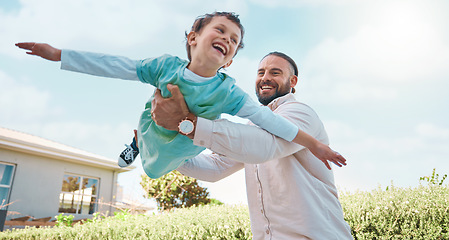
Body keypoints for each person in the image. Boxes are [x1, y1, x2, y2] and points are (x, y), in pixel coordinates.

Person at [15, 11, 345, 179]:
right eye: (220, 31)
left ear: (230, 60)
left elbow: (268, 122)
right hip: (153, 128)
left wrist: (315, 144)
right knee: (147, 133)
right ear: (193, 37)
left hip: (181, 148)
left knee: (155, 168)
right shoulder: (164, 66)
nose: (227, 39)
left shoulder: (229, 92)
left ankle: (143, 151)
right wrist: (60, 55)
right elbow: (117, 65)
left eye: (234, 40)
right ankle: (137, 144)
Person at [150, 52, 353, 239]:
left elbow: (265, 146)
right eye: (261, 72)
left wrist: (190, 125)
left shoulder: (300, 113)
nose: (265, 78)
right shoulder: (252, 128)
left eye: (275, 72)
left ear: (292, 82)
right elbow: (215, 168)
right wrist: (162, 149)